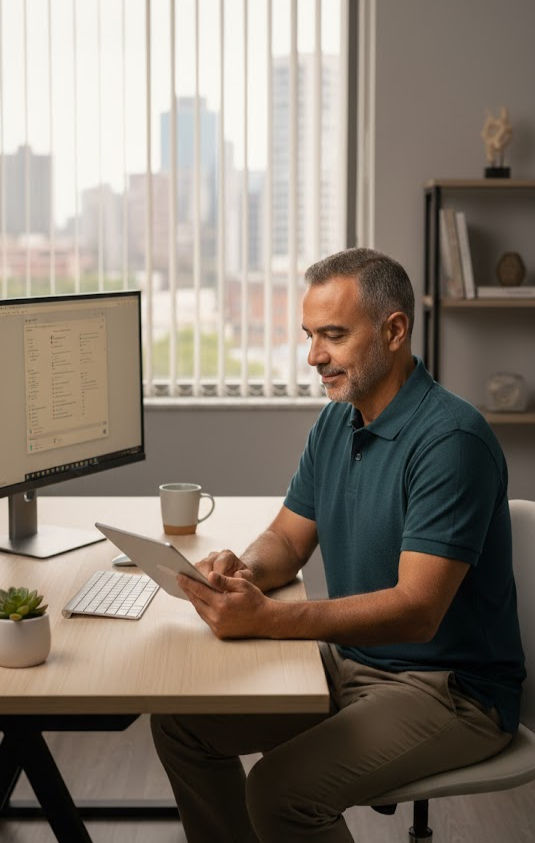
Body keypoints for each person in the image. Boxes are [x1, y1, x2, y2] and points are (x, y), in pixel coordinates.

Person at [151, 247, 525, 843]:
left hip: (450, 691)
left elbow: (416, 610)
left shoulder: (451, 440)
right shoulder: (337, 418)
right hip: (353, 662)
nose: (313, 356)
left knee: (279, 792)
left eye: (333, 335)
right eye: (309, 335)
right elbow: (286, 538)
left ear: (394, 330)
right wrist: (243, 569)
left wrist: (269, 619)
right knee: (180, 727)